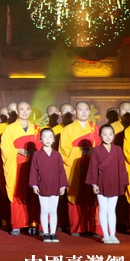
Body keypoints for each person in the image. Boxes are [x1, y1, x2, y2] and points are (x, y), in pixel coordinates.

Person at [59, 101, 102, 236]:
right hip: (75, 167)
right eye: (80, 110)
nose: (83, 112)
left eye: (86, 110)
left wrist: (92, 152)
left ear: (89, 112)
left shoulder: (96, 129)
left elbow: (102, 148)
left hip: (92, 166)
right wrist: (81, 150)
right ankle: (77, 227)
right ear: (74, 112)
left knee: (94, 196)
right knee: (75, 195)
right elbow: (63, 151)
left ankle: (94, 228)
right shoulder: (67, 130)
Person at [0, 101, 42, 236]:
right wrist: (18, 150)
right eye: (22, 109)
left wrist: (35, 153)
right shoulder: (9, 129)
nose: (25, 112)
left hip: (33, 165)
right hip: (16, 165)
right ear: (17, 112)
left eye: (27, 109)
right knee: (17, 191)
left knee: (34, 193)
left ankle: (33, 224)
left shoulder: (36, 129)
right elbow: (4, 147)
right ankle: (17, 224)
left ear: (30, 111)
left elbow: (43, 145)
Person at [86, 124, 128, 244]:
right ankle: (105, 235)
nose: (108, 137)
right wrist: (94, 184)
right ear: (100, 136)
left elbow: (122, 167)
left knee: (112, 209)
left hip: (114, 181)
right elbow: (93, 167)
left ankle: (112, 235)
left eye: (110, 134)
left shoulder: (117, 149)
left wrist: (123, 182)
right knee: (103, 209)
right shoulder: (96, 150)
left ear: (113, 135)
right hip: (101, 181)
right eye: (105, 134)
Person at [29, 128, 68, 243]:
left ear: (54, 139)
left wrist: (62, 186)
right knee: (45, 210)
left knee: (53, 210)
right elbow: (33, 170)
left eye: (50, 137)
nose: (47, 139)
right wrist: (34, 185)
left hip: (55, 185)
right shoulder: (37, 154)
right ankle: (46, 233)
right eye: (44, 137)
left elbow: (61, 171)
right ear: (40, 139)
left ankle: (53, 233)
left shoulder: (57, 155)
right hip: (42, 185)